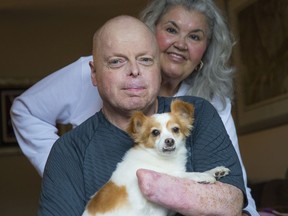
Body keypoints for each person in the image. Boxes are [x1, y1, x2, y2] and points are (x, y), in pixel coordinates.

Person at [11, 0, 258, 215]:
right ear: (94, 73)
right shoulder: (69, 151)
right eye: (117, 61)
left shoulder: (201, 110)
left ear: (156, 67)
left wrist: (165, 188)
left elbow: (233, 200)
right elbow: (25, 110)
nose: (134, 70)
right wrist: (64, 170)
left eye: (145, 59)